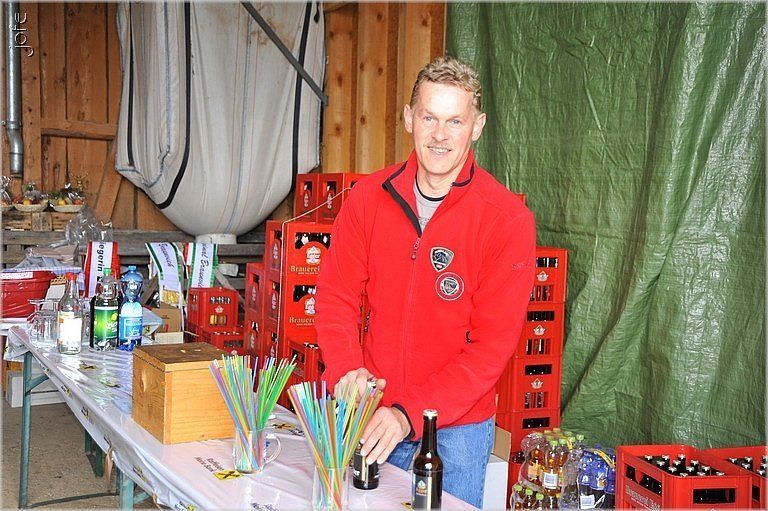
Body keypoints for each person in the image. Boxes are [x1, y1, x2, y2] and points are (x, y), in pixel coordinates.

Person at [315, 55, 536, 508]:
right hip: (370, 415)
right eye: (429, 117)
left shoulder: (506, 220)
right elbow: (336, 295)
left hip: (456, 432)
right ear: (408, 118)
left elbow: (491, 348)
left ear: (477, 127)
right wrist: (346, 371)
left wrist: (408, 413)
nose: (440, 134)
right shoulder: (368, 198)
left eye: (455, 121)